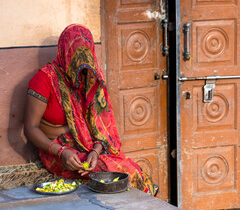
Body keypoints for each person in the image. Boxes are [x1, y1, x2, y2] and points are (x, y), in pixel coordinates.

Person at [24, 24, 158, 196]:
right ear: (65, 52)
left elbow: (101, 128)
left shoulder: (91, 76)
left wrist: (96, 151)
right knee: (109, 172)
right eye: (76, 57)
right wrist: (61, 151)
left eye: (86, 56)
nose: (81, 64)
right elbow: (30, 128)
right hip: (56, 151)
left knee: (134, 171)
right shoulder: (44, 79)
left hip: (88, 147)